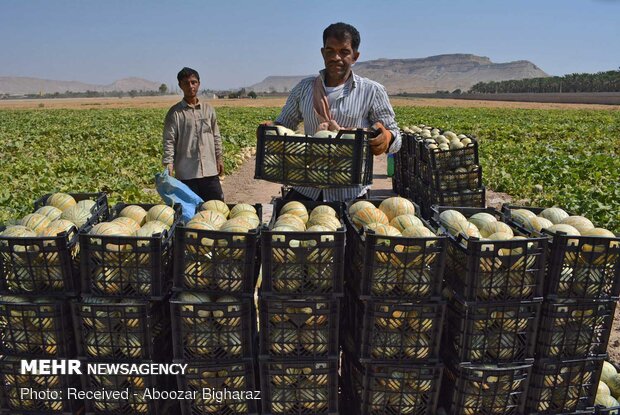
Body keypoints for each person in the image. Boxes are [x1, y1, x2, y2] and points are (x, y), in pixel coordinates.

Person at [268, 22, 401, 202]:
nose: (336, 57)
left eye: (344, 52)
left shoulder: (372, 91)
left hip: (350, 192)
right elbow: (284, 124)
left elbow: (396, 137)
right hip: (308, 187)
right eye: (330, 51)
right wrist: (270, 130)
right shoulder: (303, 89)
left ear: (355, 56)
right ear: (323, 53)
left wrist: (386, 137)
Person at [163, 67, 225, 202]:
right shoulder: (175, 113)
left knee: (217, 208)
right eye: (186, 83)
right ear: (180, 85)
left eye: (193, 82)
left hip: (209, 170)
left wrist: (219, 157)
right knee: (192, 214)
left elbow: (216, 135)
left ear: (199, 84)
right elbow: (169, 140)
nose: (190, 86)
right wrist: (168, 163)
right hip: (187, 172)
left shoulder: (208, 110)